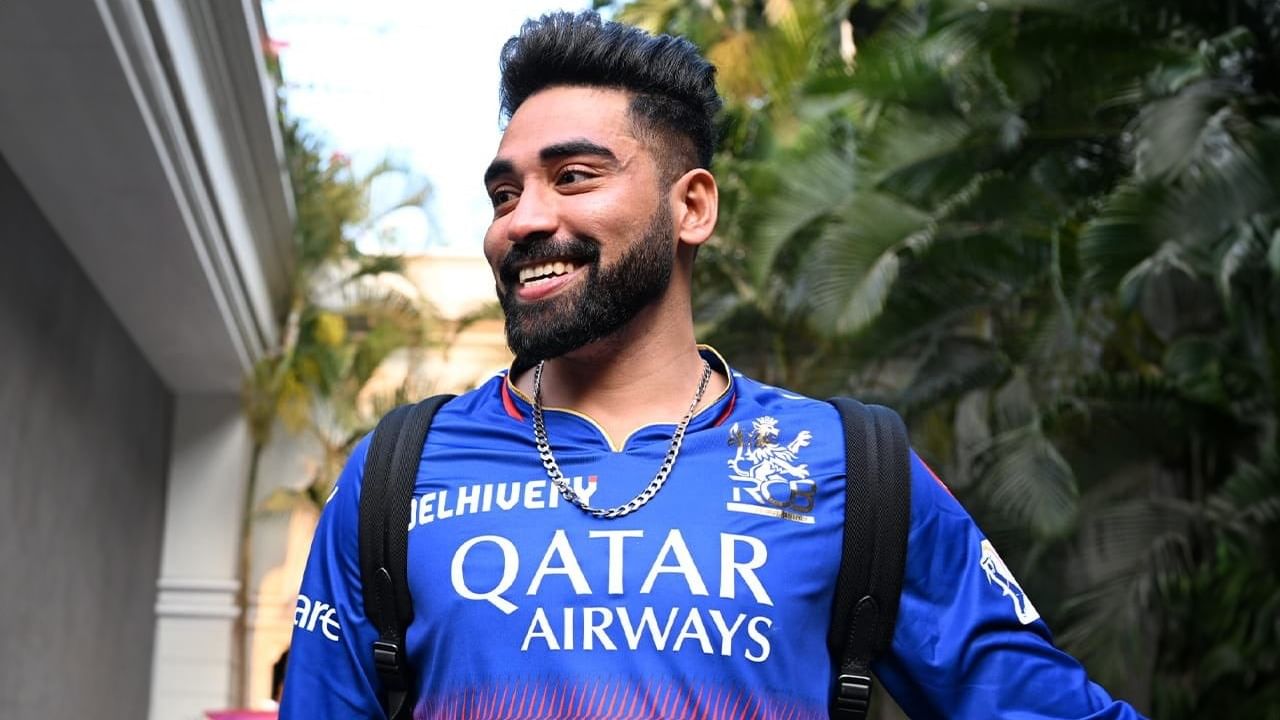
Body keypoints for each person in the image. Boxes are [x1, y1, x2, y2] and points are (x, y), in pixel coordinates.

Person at [279, 11, 1145, 720]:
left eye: (573, 176)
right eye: (505, 193)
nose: (521, 221)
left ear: (691, 205)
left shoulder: (851, 471)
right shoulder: (395, 475)